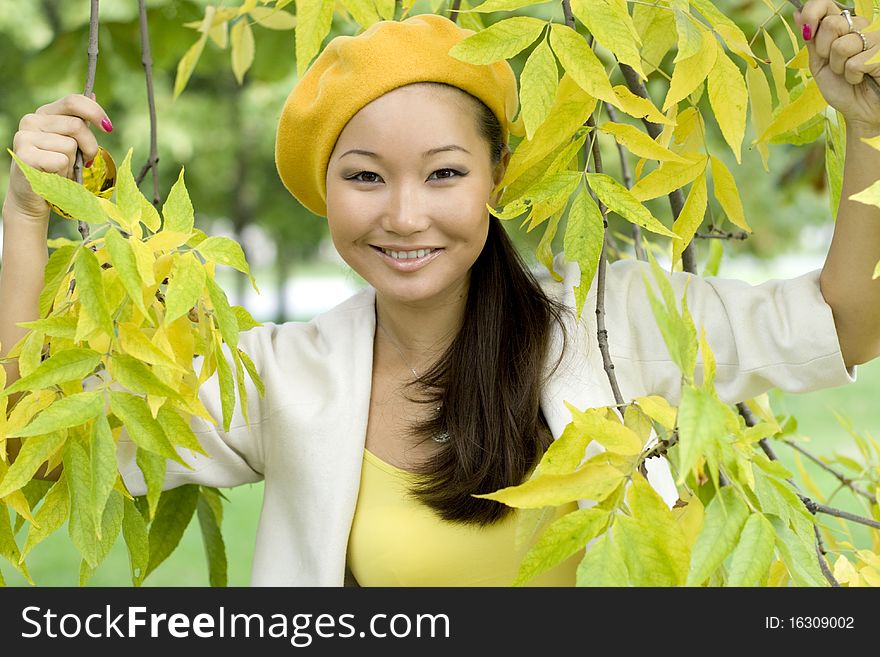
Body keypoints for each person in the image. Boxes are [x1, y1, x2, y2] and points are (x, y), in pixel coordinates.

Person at [2, 1, 879, 587]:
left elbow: (846, 322)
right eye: (367, 176)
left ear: (496, 176)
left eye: (445, 172)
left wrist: (867, 127)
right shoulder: (282, 376)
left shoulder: (620, 322)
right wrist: (29, 219)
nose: (405, 214)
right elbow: (34, 445)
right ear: (327, 193)